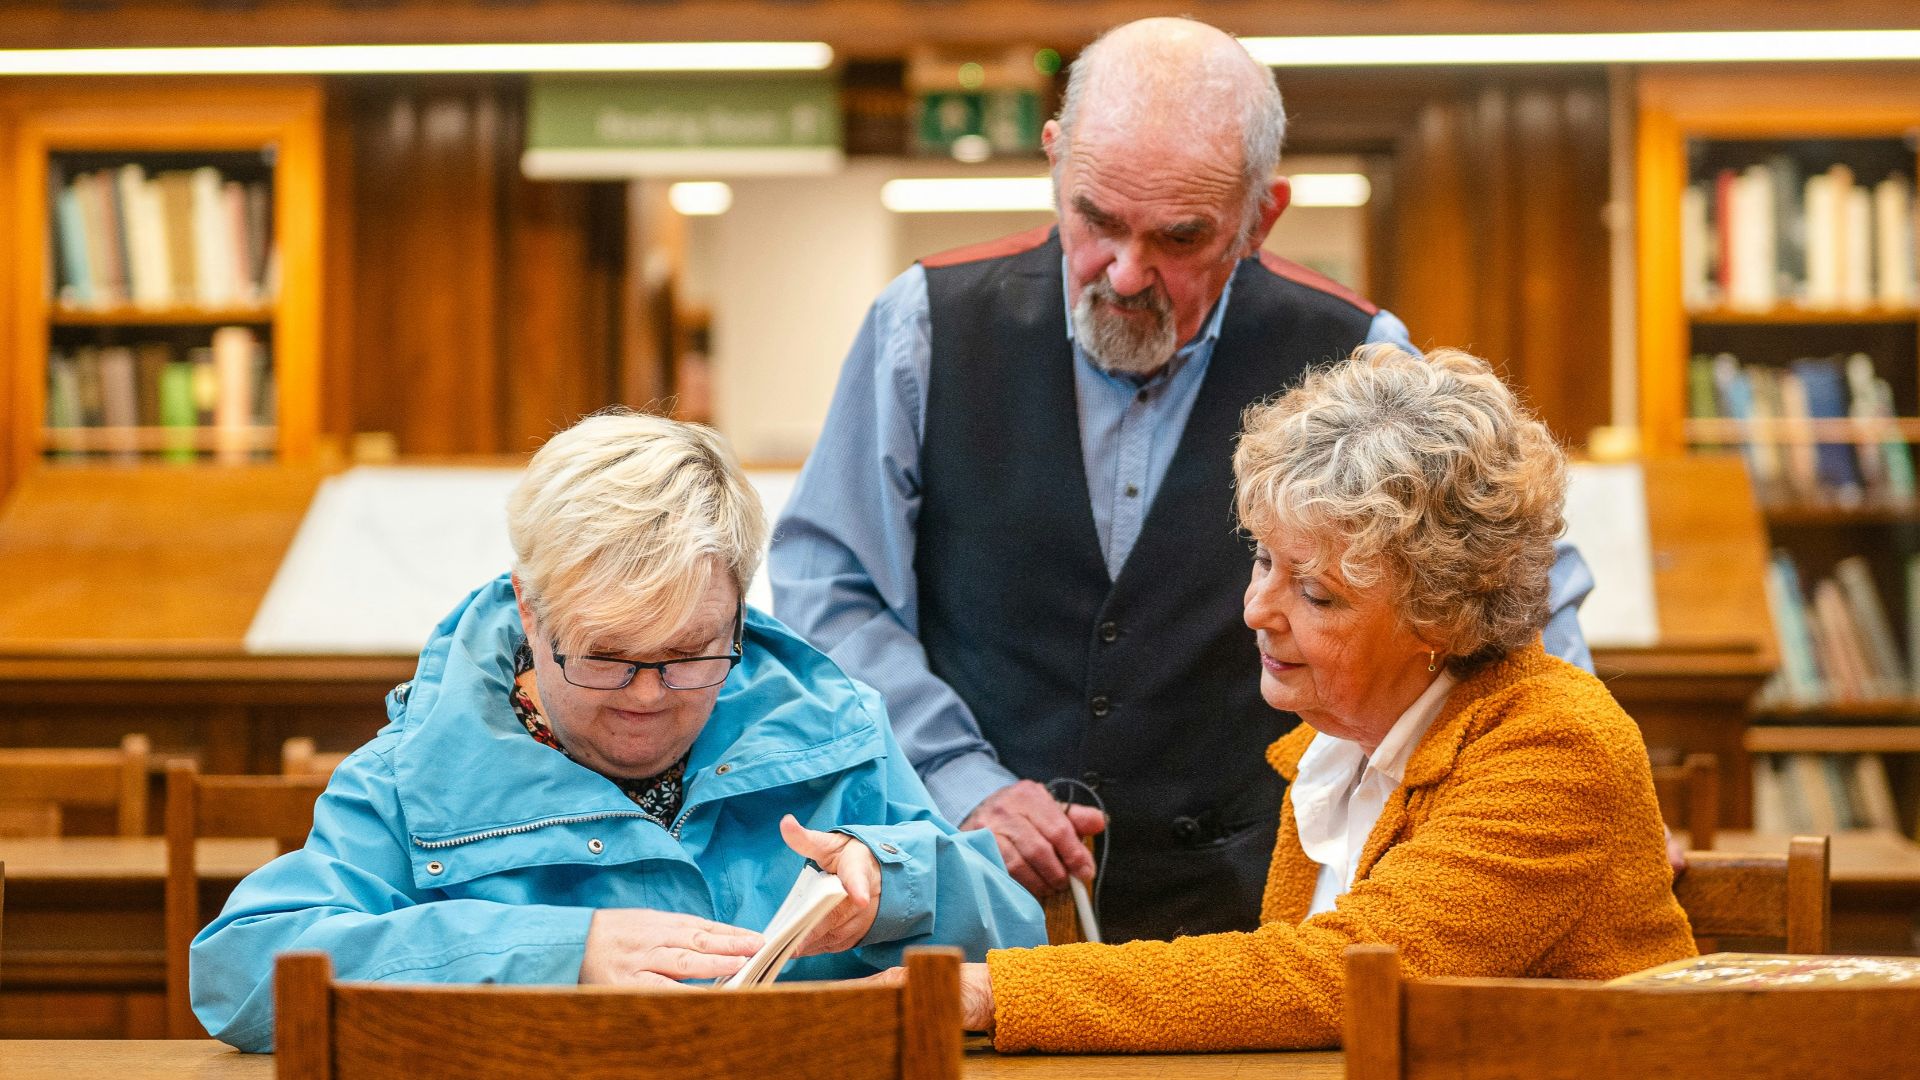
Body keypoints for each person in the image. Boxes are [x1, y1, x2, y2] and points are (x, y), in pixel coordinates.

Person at [769, 15, 1594, 943]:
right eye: (1097, 220)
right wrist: (963, 778)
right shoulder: (923, 328)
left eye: (1180, 238)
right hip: (973, 891)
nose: (1125, 273)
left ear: (1261, 216)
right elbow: (828, 590)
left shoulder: (1353, 352)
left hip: (1254, 907)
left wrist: (1563, 786)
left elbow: (1515, 590)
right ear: (1053, 159)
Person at [917, 345, 1696, 1051]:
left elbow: (1336, 978)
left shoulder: (1557, 742)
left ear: (1443, 616)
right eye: (1263, 561)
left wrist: (995, 989)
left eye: (1316, 593)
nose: (1257, 609)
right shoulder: (1337, 745)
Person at [191, 411, 1044, 1052]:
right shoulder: (418, 773)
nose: (647, 697)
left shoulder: (834, 728)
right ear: (529, 612)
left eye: (689, 655)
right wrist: (561, 953)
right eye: (604, 658)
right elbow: (241, 971)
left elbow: (1021, 939)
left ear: (738, 610)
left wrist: (892, 884)